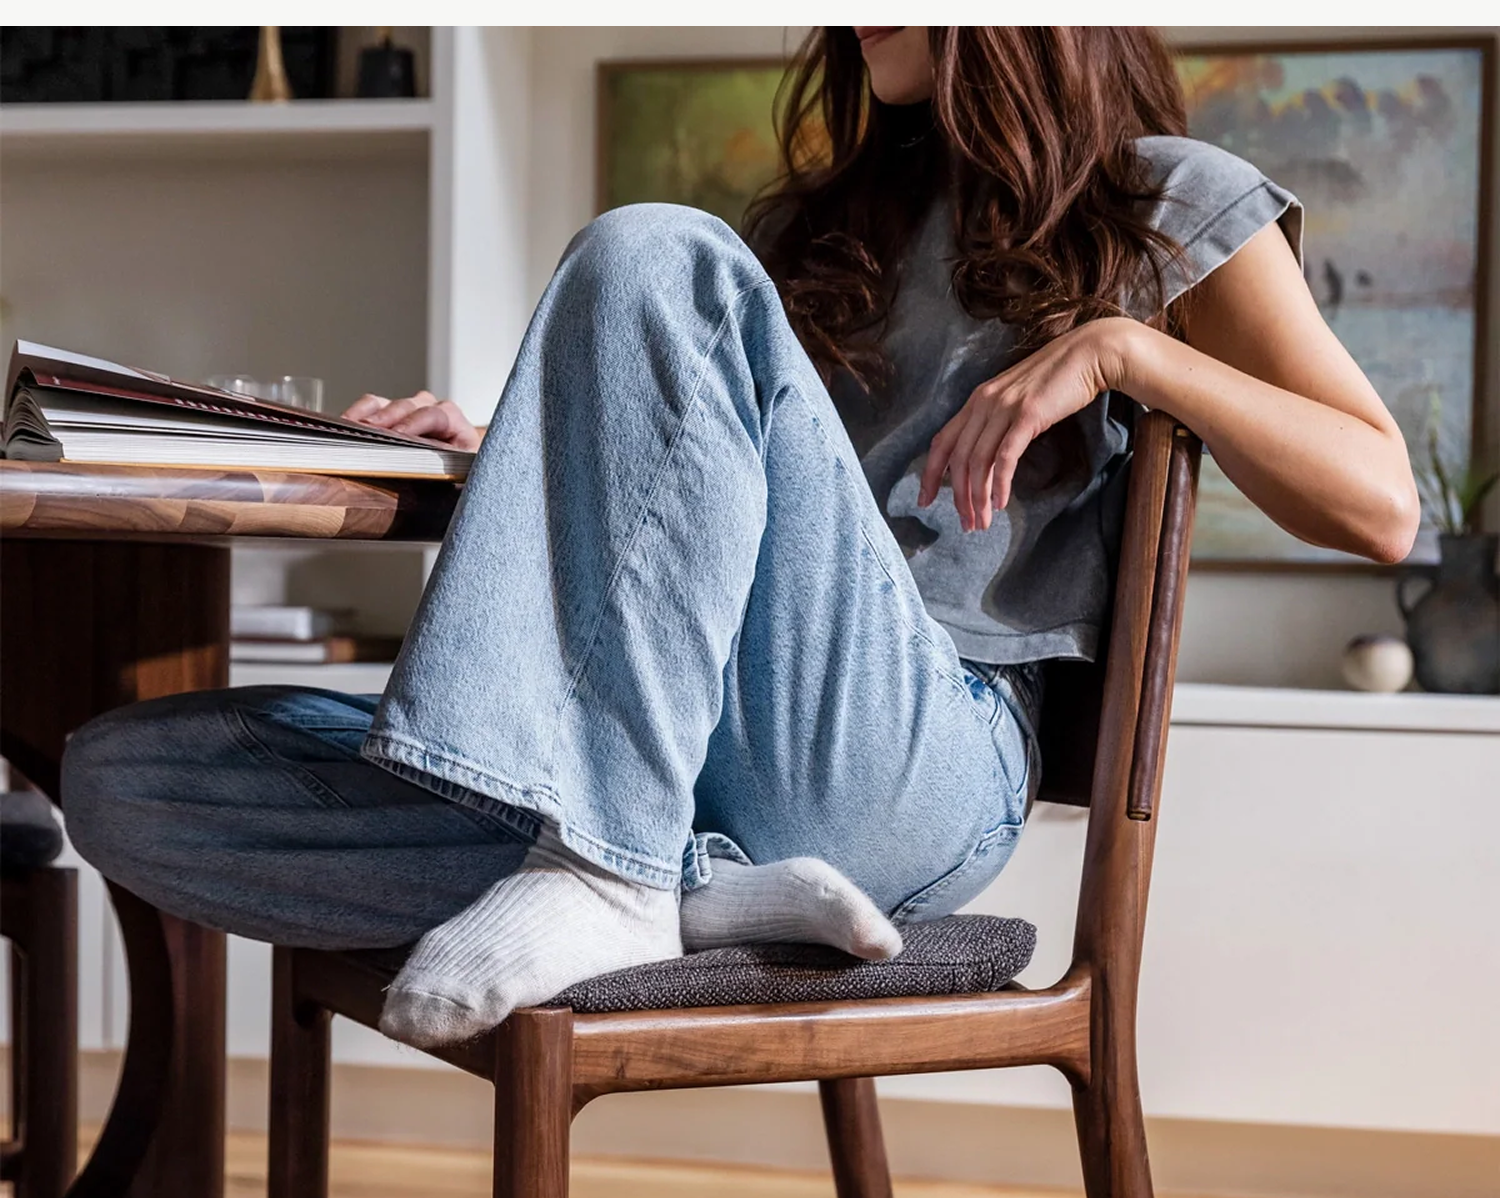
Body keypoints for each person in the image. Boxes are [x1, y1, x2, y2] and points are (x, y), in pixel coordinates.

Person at [62, 26, 1418, 1049]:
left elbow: (1380, 501)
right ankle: (681, 880)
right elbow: (712, 525)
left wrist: (1131, 352)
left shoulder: (1164, 201)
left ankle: (606, 865)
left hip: (918, 753)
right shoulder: (829, 232)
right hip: (696, 763)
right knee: (120, 774)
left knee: (652, 250)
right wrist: (526, 453)